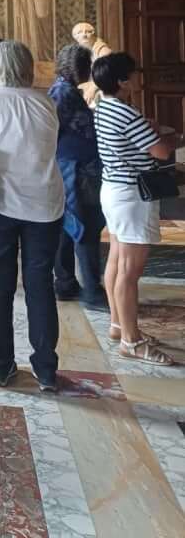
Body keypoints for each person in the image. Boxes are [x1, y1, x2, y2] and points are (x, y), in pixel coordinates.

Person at [0, 41, 64, 392]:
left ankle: (0, 366)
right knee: (40, 284)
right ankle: (46, 370)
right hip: (44, 205)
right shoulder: (45, 102)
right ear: (28, 66)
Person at [93, 52, 183, 366]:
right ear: (122, 81)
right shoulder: (126, 113)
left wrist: (148, 129)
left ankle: (119, 326)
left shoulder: (103, 106)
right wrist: (171, 138)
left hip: (114, 189)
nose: (137, 79)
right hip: (132, 195)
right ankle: (132, 342)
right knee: (129, 273)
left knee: (117, 261)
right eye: (133, 74)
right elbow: (160, 152)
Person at [48, 45, 108, 311]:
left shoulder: (66, 90)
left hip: (75, 168)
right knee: (86, 225)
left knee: (69, 226)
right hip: (76, 171)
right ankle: (92, 291)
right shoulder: (62, 93)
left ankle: (66, 283)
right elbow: (55, 131)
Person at [72, 23, 112, 107]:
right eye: (80, 32)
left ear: (93, 33)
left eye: (87, 32)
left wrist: (92, 89)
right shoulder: (80, 51)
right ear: (75, 37)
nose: (84, 35)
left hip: (102, 87)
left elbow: (106, 74)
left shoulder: (102, 50)